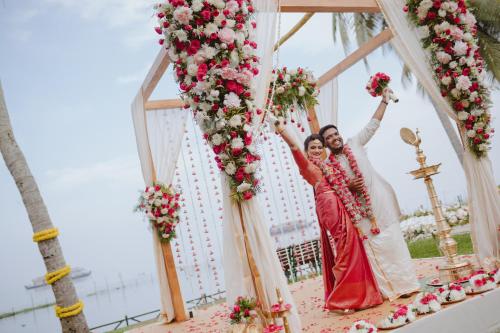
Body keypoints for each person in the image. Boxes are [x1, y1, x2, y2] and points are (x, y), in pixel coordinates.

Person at [319, 88, 420, 301]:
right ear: (326, 144)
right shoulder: (328, 167)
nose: (335, 138)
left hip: (379, 202)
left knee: (393, 243)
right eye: (329, 138)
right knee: (375, 248)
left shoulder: (355, 143)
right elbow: (334, 195)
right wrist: (349, 188)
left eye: (336, 134)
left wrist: (384, 101)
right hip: (359, 213)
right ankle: (389, 291)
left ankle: (408, 284)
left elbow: (373, 124)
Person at [275, 122, 383, 313]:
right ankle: (342, 299)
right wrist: (282, 130)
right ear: (306, 151)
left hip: (338, 204)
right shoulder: (306, 165)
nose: (316, 150)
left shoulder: (327, 166)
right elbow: (293, 148)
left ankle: (358, 295)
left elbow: (341, 186)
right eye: (312, 148)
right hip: (329, 206)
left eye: (319, 147)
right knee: (345, 250)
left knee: (351, 248)